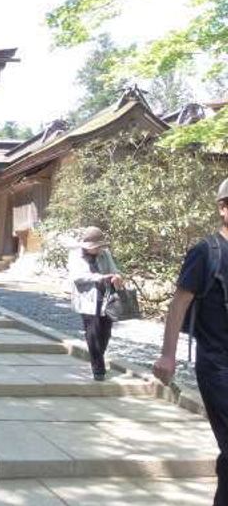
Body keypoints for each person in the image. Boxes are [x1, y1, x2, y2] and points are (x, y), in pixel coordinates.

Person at [153, 178, 228, 506]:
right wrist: (167, 356)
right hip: (217, 365)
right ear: (223, 208)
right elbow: (179, 304)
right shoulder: (206, 251)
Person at [68, 226, 124, 381]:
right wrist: (99, 277)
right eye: (95, 247)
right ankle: (98, 369)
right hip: (87, 299)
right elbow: (77, 276)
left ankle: (98, 356)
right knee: (92, 333)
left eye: (100, 247)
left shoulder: (105, 254)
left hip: (106, 298)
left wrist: (116, 276)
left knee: (105, 332)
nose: (98, 249)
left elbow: (114, 269)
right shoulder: (75, 256)